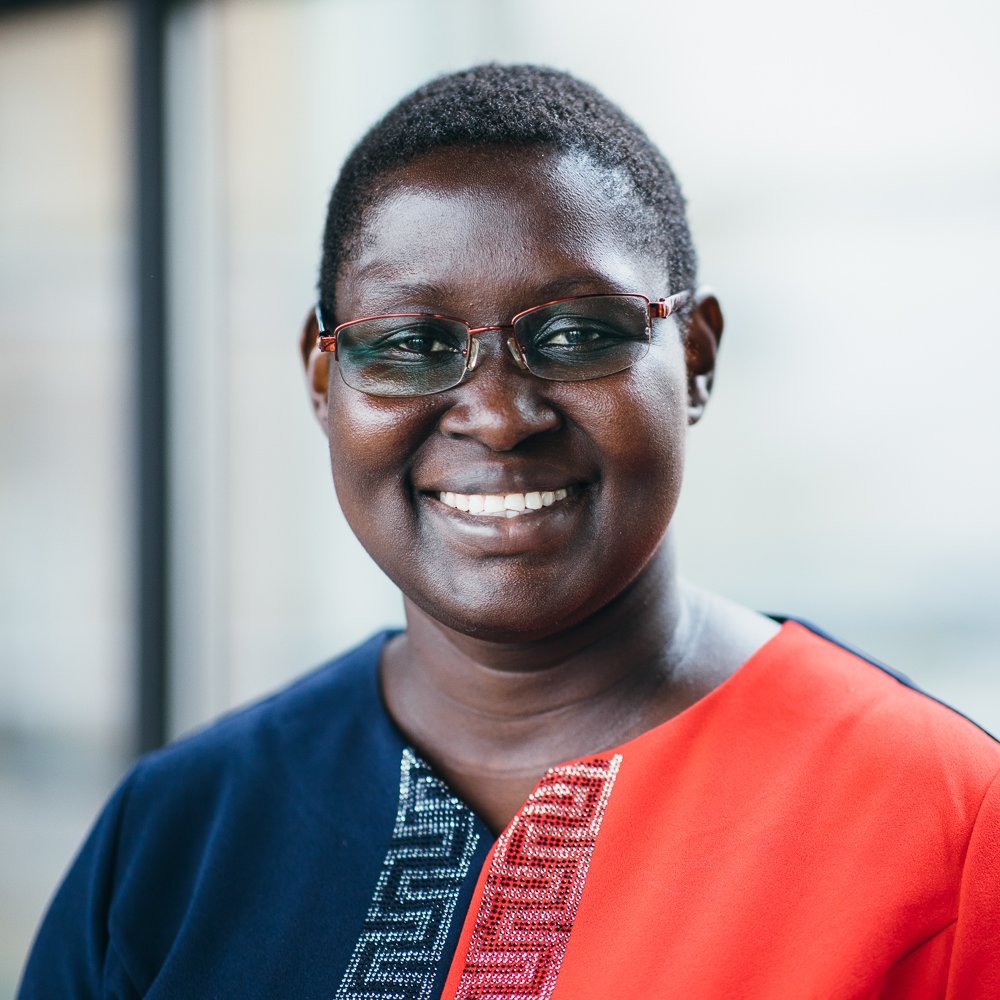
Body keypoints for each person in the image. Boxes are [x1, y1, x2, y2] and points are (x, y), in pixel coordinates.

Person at [18, 64, 1000, 999]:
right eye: (410, 343)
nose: (496, 413)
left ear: (694, 358)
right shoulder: (177, 834)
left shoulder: (944, 826)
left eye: (575, 334)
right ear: (323, 381)